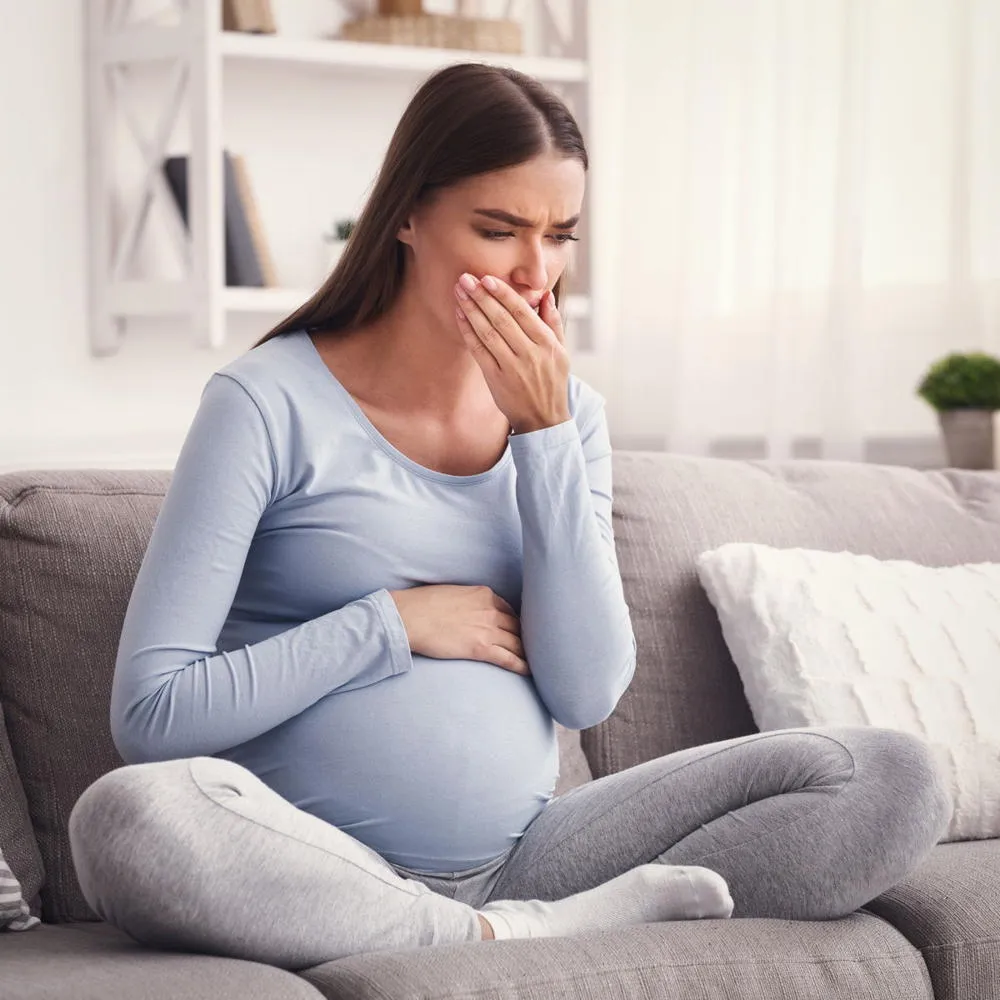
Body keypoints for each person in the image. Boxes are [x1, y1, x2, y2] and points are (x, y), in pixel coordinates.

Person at [68, 62, 952, 972]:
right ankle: (491, 938)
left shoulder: (571, 419)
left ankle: (513, 920)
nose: (536, 274)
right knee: (126, 819)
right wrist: (388, 625)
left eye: (561, 236)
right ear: (407, 215)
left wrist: (545, 432)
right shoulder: (263, 402)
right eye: (498, 230)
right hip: (308, 860)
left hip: (539, 857)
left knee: (891, 779)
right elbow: (151, 714)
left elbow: (586, 692)